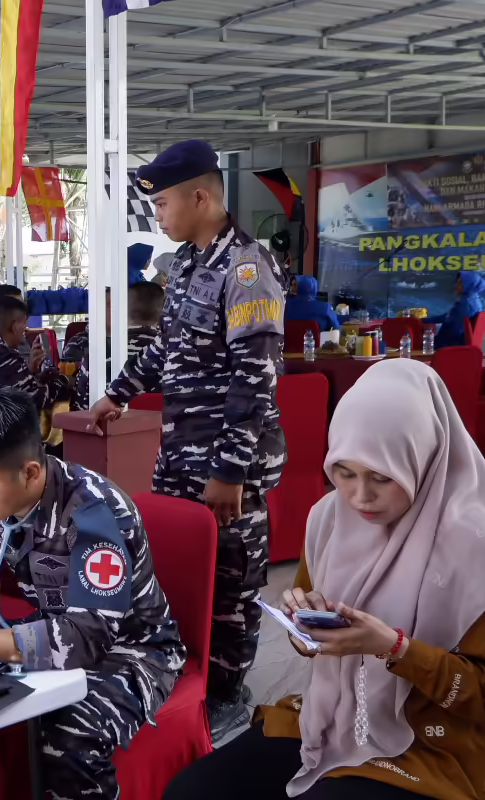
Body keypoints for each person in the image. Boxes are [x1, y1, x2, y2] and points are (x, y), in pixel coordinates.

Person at [164, 359, 485, 800]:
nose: (359, 497)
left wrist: (396, 649)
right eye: (344, 472)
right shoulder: (330, 519)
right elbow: (319, 642)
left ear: (425, 460)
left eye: (382, 478)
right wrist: (306, 626)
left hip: (440, 744)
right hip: (335, 718)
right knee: (192, 792)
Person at [0, 388, 185, 799]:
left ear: (30, 474)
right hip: (51, 630)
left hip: (131, 650)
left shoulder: (95, 515)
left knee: (70, 730)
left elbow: (86, 639)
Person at [90, 139, 287, 740]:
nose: (159, 216)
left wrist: (229, 472)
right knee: (177, 572)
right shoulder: (187, 266)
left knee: (230, 585)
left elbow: (255, 377)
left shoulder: (248, 268)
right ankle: (185, 673)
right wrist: (117, 393)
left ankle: (228, 693)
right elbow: (166, 348)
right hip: (180, 456)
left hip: (229, 464)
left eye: (164, 204)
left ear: (201, 197)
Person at [66, 282, 165, 411]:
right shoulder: (179, 353)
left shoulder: (97, 355)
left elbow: (81, 411)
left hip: (108, 429)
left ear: (123, 309)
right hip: (167, 429)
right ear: (164, 312)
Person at [428, 272, 485, 349]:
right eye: (457, 282)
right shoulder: (473, 299)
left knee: (418, 341)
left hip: (452, 344)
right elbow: (450, 318)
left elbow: (450, 323)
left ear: (469, 285)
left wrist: (423, 320)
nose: (456, 285)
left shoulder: (465, 304)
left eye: (460, 283)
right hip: (459, 341)